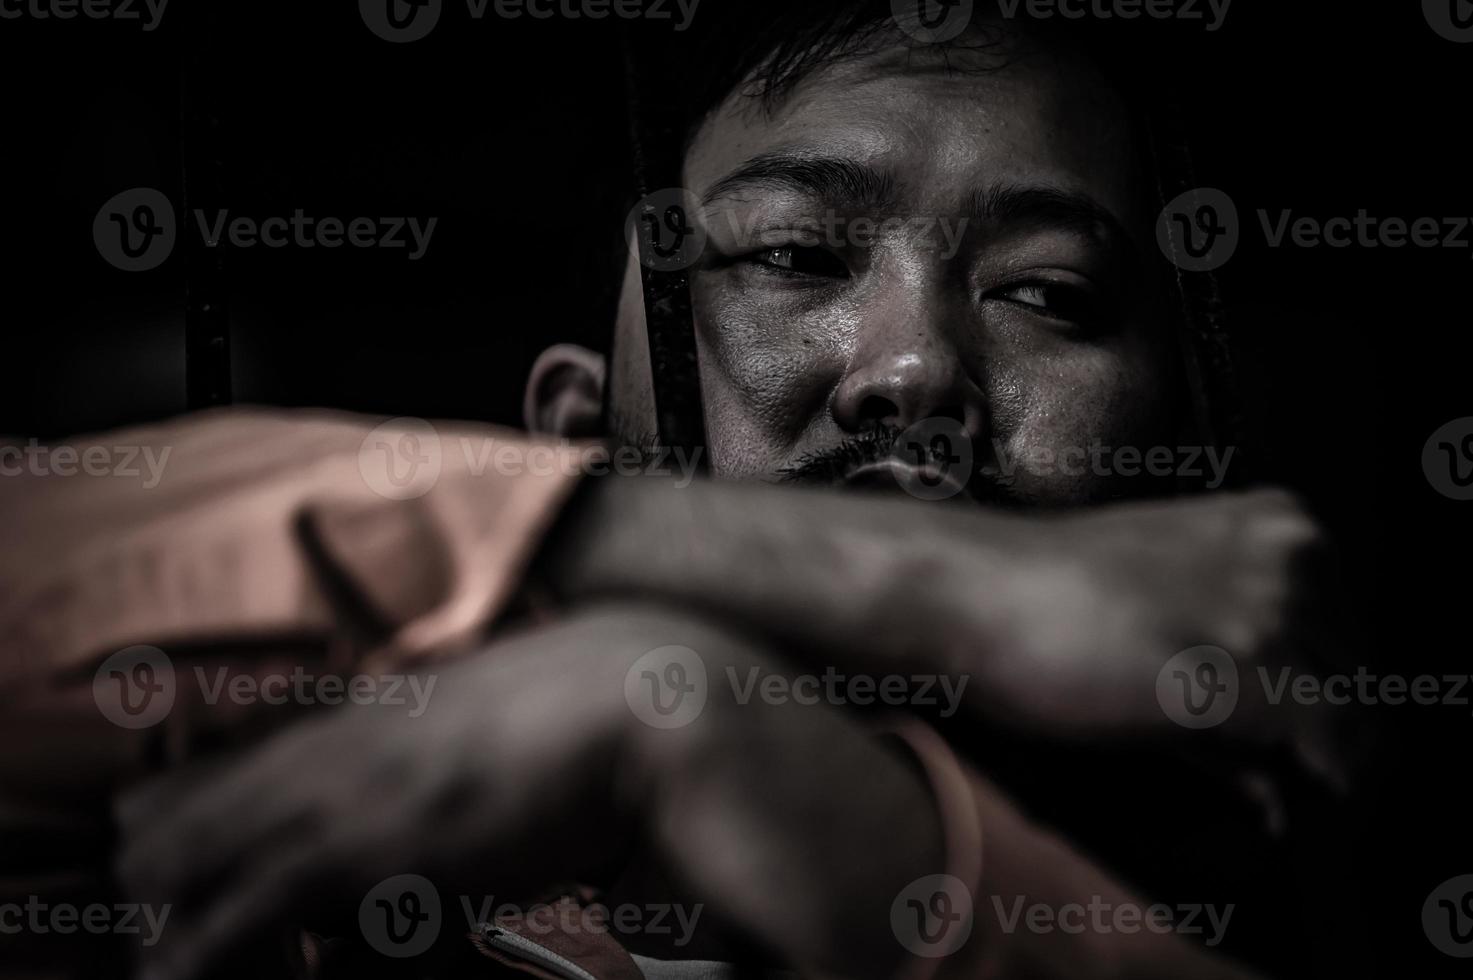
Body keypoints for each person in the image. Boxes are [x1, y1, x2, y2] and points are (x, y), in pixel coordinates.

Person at [0, 3, 1351, 978]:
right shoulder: (332, 894)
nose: (914, 369)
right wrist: (927, 580)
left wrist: (833, 817)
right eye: (793, 255)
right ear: (571, 431)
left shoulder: (1298, 891)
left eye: (1047, 292)